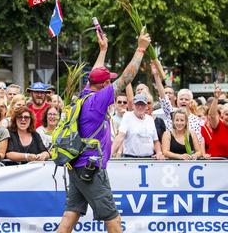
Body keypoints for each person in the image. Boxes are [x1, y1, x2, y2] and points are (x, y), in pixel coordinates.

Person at [57, 30, 151, 233]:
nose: (111, 82)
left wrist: (103, 50)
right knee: (113, 219)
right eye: (109, 80)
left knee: (70, 214)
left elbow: (95, 73)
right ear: (105, 85)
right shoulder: (100, 100)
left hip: (77, 166)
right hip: (91, 169)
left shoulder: (85, 95)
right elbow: (127, 78)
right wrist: (140, 49)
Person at [112, 93, 164, 159]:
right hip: (130, 159)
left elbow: (156, 141)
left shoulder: (150, 119)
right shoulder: (127, 116)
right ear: (133, 106)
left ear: (146, 106)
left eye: (142, 104)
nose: (140, 107)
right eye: (137, 104)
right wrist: (109, 155)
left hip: (148, 159)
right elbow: (120, 137)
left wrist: (159, 153)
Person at [207, 85, 228, 157]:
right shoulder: (218, 125)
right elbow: (212, 114)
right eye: (227, 114)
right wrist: (216, 98)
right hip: (217, 164)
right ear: (222, 116)